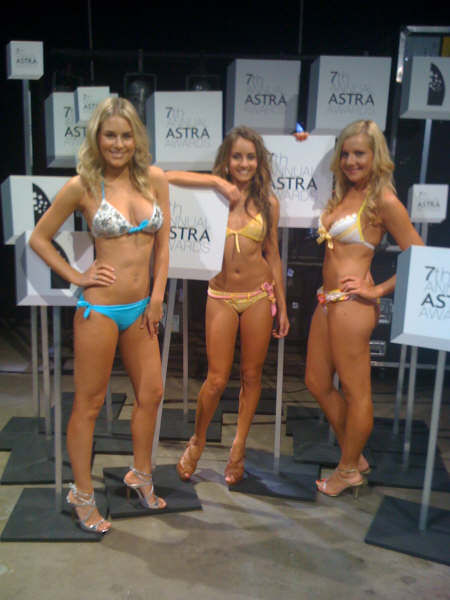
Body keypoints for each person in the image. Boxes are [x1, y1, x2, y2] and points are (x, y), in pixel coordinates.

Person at [30, 97, 170, 533]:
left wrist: (158, 296)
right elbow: (38, 238)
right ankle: (82, 493)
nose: (118, 143)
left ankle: (141, 473)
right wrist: (77, 275)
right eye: (110, 135)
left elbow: (164, 246)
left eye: (126, 135)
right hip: (101, 310)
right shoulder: (83, 186)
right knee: (89, 404)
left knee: (152, 392)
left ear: (137, 139)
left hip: (142, 308)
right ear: (97, 138)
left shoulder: (155, 180)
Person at [296, 120, 423, 497]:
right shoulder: (342, 193)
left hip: (353, 306)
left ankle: (349, 468)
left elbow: (419, 255)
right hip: (326, 299)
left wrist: (378, 289)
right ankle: (354, 454)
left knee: (356, 392)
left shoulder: (383, 201)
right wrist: (302, 143)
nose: (351, 161)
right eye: (346, 154)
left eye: (360, 154)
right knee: (316, 382)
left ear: (375, 156)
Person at [166, 126, 289, 485]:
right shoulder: (212, 196)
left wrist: (282, 305)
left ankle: (239, 446)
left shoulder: (268, 203)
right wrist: (214, 182)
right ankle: (198, 439)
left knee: (251, 376)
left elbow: (273, 254)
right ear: (226, 160)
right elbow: (165, 178)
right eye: (237, 156)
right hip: (220, 295)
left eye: (251, 157)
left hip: (258, 295)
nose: (244, 163)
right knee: (217, 379)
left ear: (259, 161)